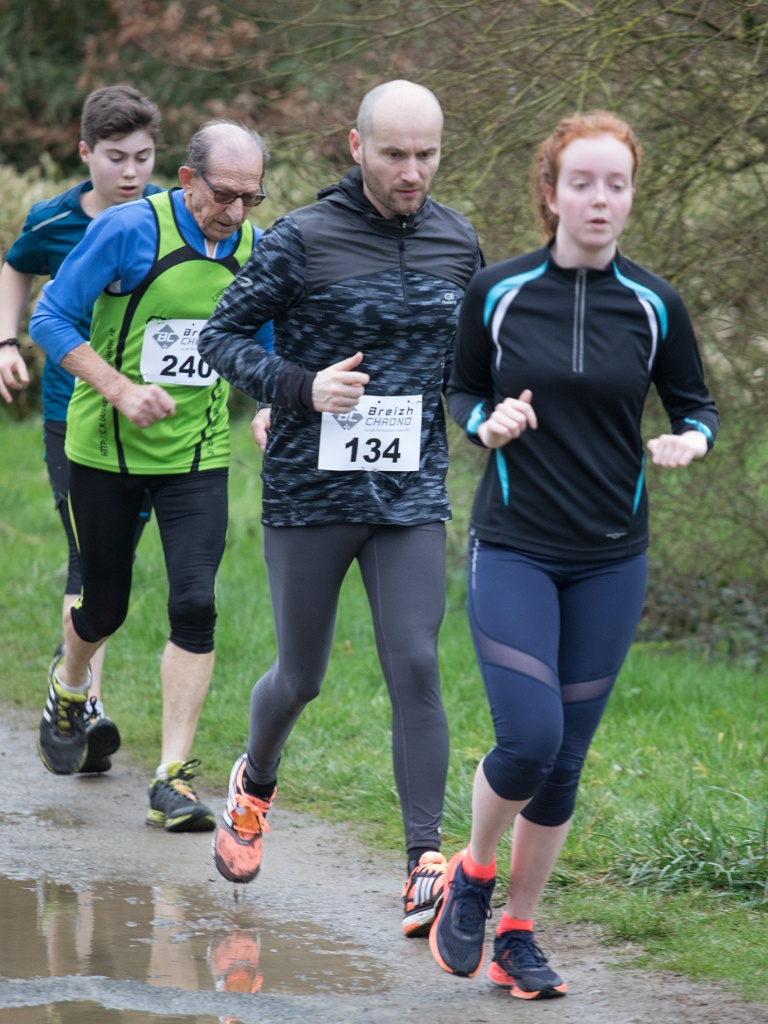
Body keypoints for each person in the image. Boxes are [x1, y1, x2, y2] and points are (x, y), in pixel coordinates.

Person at [428, 111, 719, 997]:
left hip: (611, 559)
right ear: (551, 193)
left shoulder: (656, 304)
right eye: (583, 183)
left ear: (631, 197)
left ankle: (517, 932)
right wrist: (486, 423)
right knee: (531, 739)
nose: (600, 199)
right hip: (516, 546)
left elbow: (696, 404)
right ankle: (473, 872)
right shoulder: (499, 290)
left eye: (616, 185)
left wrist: (691, 441)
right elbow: (460, 387)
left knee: (565, 761)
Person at [197, 79, 482, 934]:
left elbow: (469, 368)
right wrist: (300, 387)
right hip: (310, 493)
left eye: (426, 154)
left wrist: (490, 414)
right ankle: (254, 782)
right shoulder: (302, 238)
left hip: (409, 493)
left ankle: (424, 864)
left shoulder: (458, 241)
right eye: (394, 154)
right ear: (357, 147)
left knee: (416, 664)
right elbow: (220, 336)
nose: (412, 172)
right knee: (303, 676)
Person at [29, 119, 273, 831]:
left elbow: (268, 343)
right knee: (104, 606)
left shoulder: (254, 248)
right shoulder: (129, 230)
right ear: (188, 179)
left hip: (197, 458)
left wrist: (272, 405)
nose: (234, 212)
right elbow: (51, 317)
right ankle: (70, 683)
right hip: (106, 452)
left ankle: (172, 778)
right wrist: (119, 388)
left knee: (195, 603)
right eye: (223, 195)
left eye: (250, 198)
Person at [0, 85, 163, 773]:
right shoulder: (55, 219)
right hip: (74, 416)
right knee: (88, 558)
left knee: (113, 564)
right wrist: (6, 342)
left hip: (150, 423)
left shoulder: (167, 218)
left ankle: (69, 673)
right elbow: (15, 266)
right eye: (115, 157)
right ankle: (84, 705)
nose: (131, 172)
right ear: (85, 153)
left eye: (143, 157)